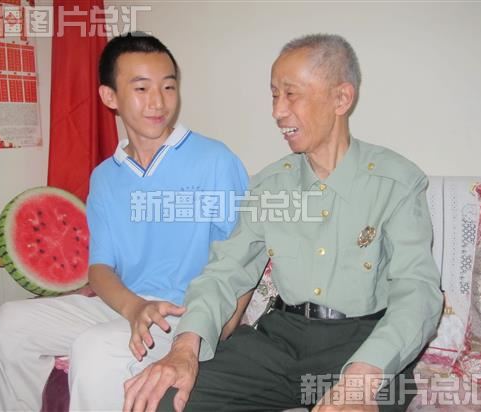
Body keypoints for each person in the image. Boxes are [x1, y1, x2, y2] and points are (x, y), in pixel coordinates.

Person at [124, 33, 444, 412]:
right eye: (274, 95)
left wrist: (363, 377)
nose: (277, 111)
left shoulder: (395, 182)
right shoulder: (270, 187)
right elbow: (226, 272)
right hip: (279, 342)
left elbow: (418, 291)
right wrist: (184, 348)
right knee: (168, 400)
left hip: (364, 345)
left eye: (291, 94)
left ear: (341, 98)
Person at [0, 32, 250, 411]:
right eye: (141, 88)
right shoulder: (105, 176)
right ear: (110, 97)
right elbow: (101, 267)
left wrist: (223, 326)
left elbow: (245, 253)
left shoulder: (214, 160)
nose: (158, 102)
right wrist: (132, 307)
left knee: (94, 349)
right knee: (8, 323)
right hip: (127, 305)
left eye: (168, 86)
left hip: (185, 314)